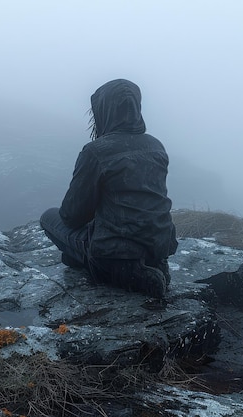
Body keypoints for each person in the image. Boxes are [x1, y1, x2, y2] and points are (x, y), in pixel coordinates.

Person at [40, 79, 177, 299]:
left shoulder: (96, 152)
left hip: (114, 252)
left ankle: (121, 272)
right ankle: (152, 265)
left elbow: (71, 215)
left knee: (49, 218)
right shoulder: (155, 146)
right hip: (158, 245)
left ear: (105, 110)